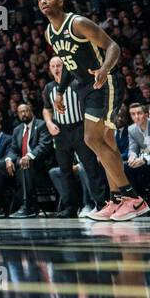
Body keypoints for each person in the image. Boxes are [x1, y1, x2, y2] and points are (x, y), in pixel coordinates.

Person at [38, 0, 147, 220]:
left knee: (91, 139)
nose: (43, 1)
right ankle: (116, 200)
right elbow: (68, 63)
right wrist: (59, 91)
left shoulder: (77, 23)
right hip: (84, 88)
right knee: (106, 142)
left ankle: (133, 199)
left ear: (60, 1)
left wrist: (104, 69)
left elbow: (113, 46)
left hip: (103, 83)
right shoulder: (49, 32)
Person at [41, 55, 109, 217]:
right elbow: (46, 109)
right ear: (50, 70)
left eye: (59, 65)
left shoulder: (75, 83)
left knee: (90, 166)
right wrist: (49, 123)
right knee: (65, 170)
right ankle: (71, 206)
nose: (57, 69)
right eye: (53, 66)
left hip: (79, 127)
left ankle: (101, 203)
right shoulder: (49, 88)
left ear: (65, 67)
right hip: (61, 131)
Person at [4, 102, 51, 218]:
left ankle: (28, 206)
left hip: (39, 165)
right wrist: (9, 159)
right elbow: (13, 149)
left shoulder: (41, 125)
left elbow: (44, 145)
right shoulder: (17, 130)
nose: (23, 114)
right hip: (21, 164)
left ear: (31, 112)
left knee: (25, 164)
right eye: (20, 112)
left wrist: (29, 156)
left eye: (25, 111)